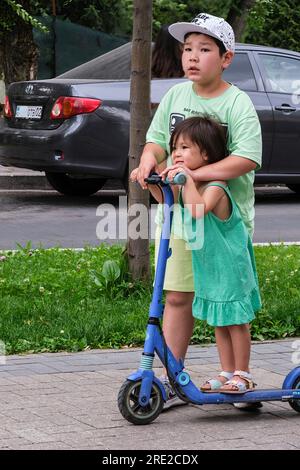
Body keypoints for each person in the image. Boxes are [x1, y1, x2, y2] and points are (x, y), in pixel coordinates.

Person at [131, 12, 262, 410]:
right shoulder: (175, 97)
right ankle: (175, 378)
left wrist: (193, 172)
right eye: (188, 48)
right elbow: (156, 140)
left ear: (225, 59)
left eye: (205, 49)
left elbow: (247, 158)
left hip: (222, 223)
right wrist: (147, 161)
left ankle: (238, 373)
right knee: (175, 297)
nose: (193, 56)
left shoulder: (236, 102)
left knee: (228, 300)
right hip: (180, 218)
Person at [149, 115, 261, 396]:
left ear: (206, 154)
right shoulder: (192, 185)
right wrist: (150, 182)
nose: (176, 153)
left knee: (236, 322)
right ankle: (226, 372)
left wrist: (187, 180)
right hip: (211, 267)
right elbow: (167, 199)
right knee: (220, 322)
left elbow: (198, 209)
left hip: (231, 266)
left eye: (185, 147)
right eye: (175, 147)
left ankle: (243, 374)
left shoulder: (216, 186)